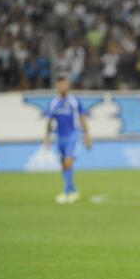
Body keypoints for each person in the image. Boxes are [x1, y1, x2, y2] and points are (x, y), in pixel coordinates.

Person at [43, 76, 92, 204]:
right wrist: (47, 138)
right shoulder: (53, 103)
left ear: (68, 85)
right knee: (64, 166)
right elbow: (49, 122)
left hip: (73, 136)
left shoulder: (74, 101)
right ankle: (74, 191)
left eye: (64, 84)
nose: (62, 87)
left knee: (68, 162)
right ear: (57, 87)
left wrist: (87, 136)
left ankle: (66, 193)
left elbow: (82, 119)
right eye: (60, 85)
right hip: (60, 137)